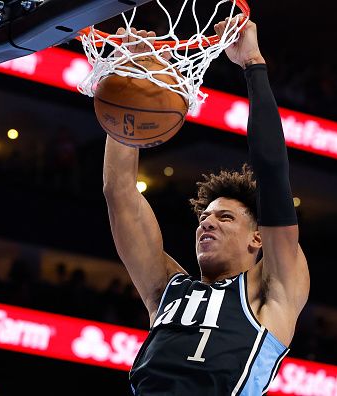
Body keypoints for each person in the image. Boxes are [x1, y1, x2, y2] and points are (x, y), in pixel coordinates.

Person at [102, 16, 310, 395]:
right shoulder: (167, 289)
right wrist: (130, 81)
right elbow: (119, 192)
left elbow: (272, 173)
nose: (207, 224)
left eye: (225, 217)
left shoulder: (272, 291)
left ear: (258, 239)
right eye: (205, 217)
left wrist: (253, 65)